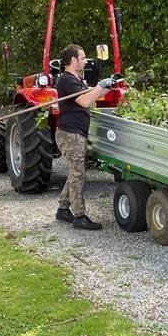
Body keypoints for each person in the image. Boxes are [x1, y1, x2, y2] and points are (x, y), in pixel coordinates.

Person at [54, 44, 114, 230]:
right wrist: (99, 86)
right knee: (79, 175)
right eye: (82, 58)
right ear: (73, 60)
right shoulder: (67, 81)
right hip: (70, 135)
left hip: (75, 133)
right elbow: (85, 101)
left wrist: (108, 87)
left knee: (74, 172)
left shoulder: (75, 79)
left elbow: (91, 94)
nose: (86, 61)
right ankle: (79, 216)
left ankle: (63, 209)